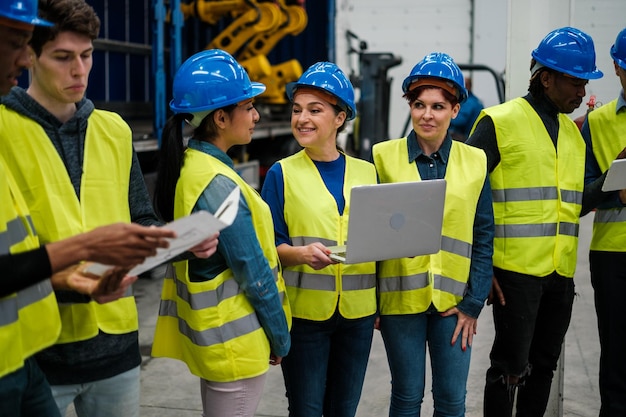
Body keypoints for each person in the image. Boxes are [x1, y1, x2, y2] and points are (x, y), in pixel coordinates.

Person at [0, 1, 217, 416]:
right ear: (30, 55)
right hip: (43, 352)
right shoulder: (5, 128)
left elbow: (141, 218)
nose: (79, 70)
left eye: (86, 56)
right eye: (63, 58)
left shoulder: (113, 129)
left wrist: (182, 242)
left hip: (117, 342)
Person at [465, 26, 604, 416]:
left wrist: (612, 181)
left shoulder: (573, 138)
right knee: (509, 369)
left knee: (544, 367)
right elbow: (465, 199)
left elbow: (571, 204)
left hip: (559, 276)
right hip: (514, 274)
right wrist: (481, 265)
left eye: (585, 84)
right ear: (546, 78)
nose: (582, 92)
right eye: (576, 83)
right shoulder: (499, 122)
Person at [151, 48, 291, 417]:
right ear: (221, 117)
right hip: (236, 343)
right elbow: (252, 269)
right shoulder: (219, 183)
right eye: (249, 107)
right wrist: (279, 336)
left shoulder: (192, 165)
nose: (257, 115)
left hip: (213, 338)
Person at [370, 52, 494, 417]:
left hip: (454, 305)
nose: (427, 115)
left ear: (455, 110)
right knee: (407, 398)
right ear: (409, 106)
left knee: (452, 401)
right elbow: (370, 233)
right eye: (419, 104)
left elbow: (484, 235)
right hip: (399, 304)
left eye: (438, 106)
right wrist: (374, 301)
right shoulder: (383, 157)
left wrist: (474, 302)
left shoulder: (475, 162)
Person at [261, 61, 378, 417]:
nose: (302, 119)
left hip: (358, 316)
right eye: (297, 110)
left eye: (315, 110)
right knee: (307, 410)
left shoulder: (367, 172)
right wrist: (300, 254)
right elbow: (268, 248)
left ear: (340, 118)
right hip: (305, 316)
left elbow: (380, 242)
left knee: (344, 409)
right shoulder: (281, 174)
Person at [579, 27, 626, 417]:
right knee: (617, 356)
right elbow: (583, 193)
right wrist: (616, 184)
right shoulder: (598, 122)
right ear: (616, 67)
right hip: (614, 256)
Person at [449, 76, 484, 141]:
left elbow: (459, 121)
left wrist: (443, 115)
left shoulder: (470, 102)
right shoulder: (475, 100)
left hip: (467, 137)